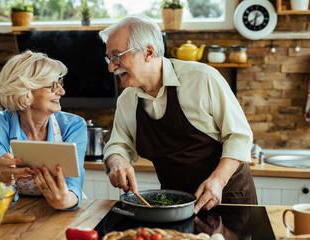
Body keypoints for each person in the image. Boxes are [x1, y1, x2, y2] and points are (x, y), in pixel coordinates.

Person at [99, 16, 257, 214]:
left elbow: (239, 136)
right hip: (172, 204)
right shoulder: (127, 100)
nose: (111, 67)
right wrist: (117, 162)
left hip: (227, 197)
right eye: (109, 58)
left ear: (148, 52)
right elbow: (118, 145)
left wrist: (218, 180)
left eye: (117, 56)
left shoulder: (202, 79)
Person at [0, 50, 87, 210]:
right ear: (25, 90)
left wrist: (64, 202)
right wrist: (2, 181)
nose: (61, 92)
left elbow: (74, 184)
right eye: (53, 85)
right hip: (17, 210)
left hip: (63, 211)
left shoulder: (74, 125)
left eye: (60, 84)